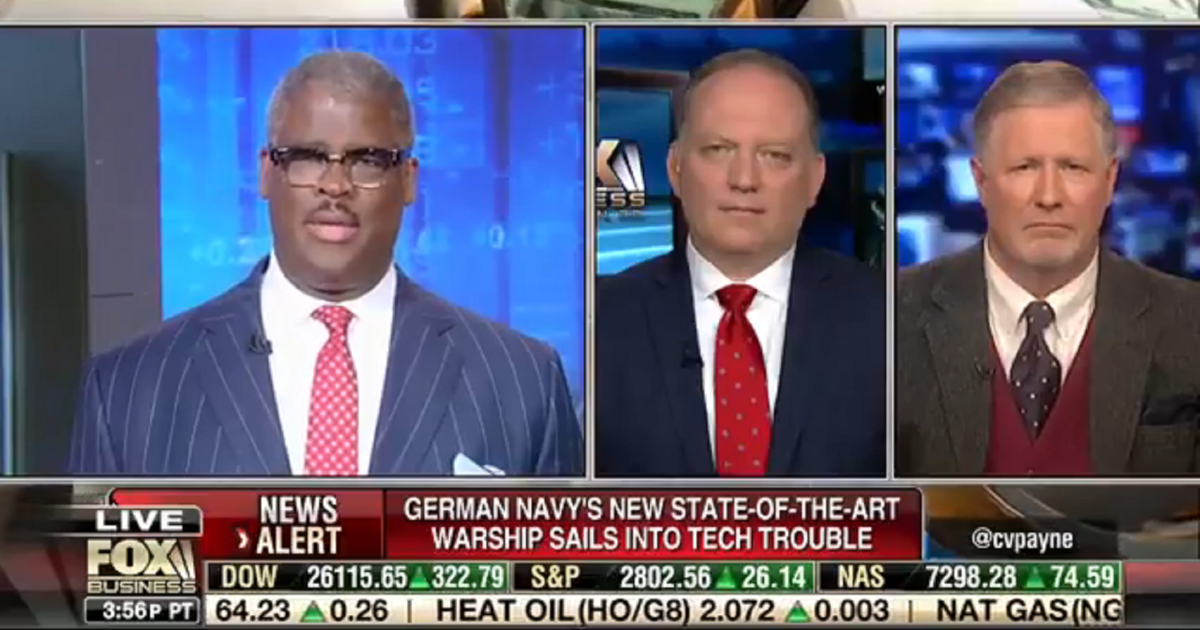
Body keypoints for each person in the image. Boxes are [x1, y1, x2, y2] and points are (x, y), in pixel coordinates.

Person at [68, 51, 583, 476]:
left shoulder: (522, 381)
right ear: (267, 172)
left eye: (368, 160)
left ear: (408, 180)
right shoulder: (127, 390)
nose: (335, 186)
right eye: (308, 157)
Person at [896, 61, 1200, 477]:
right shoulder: (890, 316)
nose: (1049, 196)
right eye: (1024, 167)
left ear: (1110, 180)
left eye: (1073, 168)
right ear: (981, 181)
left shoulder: (1190, 322)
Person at [595, 49, 885, 477]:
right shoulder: (600, 321)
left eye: (774, 155)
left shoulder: (890, 318)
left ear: (815, 178)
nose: (744, 180)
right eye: (718, 149)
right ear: (675, 168)